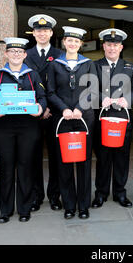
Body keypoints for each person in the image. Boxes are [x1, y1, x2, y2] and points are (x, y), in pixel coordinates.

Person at [0, 37, 46, 223]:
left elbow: (42, 97)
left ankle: (24, 208)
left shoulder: (33, 75)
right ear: (6, 54)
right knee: (5, 167)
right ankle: (5, 210)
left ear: (25, 55)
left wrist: (40, 108)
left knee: (25, 167)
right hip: (4, 127)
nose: (16, 55)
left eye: (19, 52)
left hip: (28, 127)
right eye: (12, 51)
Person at [47, 26, 97, 219]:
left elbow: (92, 90)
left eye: (76, 41)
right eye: (70, 40)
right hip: (62, 119)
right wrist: (64, 109)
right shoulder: (54, 65)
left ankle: (83, 206)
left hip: (84, 118)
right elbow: (50, 92)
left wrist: (79, 108)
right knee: (64, 161)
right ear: (64, 43)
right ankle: (69, 205)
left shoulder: (88, 64)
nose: (73, 44)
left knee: (84, 161)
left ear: (80, 44)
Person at [91, 28, 133, 209]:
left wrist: (129, 99)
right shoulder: (93, 66)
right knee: (103, 159)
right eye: (109, 44)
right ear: (103, 46)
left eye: (115, 45)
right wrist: (102, 98)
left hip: (122, 121)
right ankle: (100, 193)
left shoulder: (130, 67)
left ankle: (120, 193)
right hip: (102, 120)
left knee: (121, 159)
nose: (112, 48)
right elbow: (89, 87)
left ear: (121, 47)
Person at [24, 14, 63, 212]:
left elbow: (62, 85)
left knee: (57, 156)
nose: (42, 33)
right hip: (33, 114)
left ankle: (55, 196)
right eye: (38, 30)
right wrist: (40, 107)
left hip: (55, 113)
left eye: (46, 30)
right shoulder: (25, 54)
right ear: (33, 33)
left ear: (51, 33)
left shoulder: (60, 54)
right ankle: (36, 196)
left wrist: (49, 106)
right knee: (33, 156)